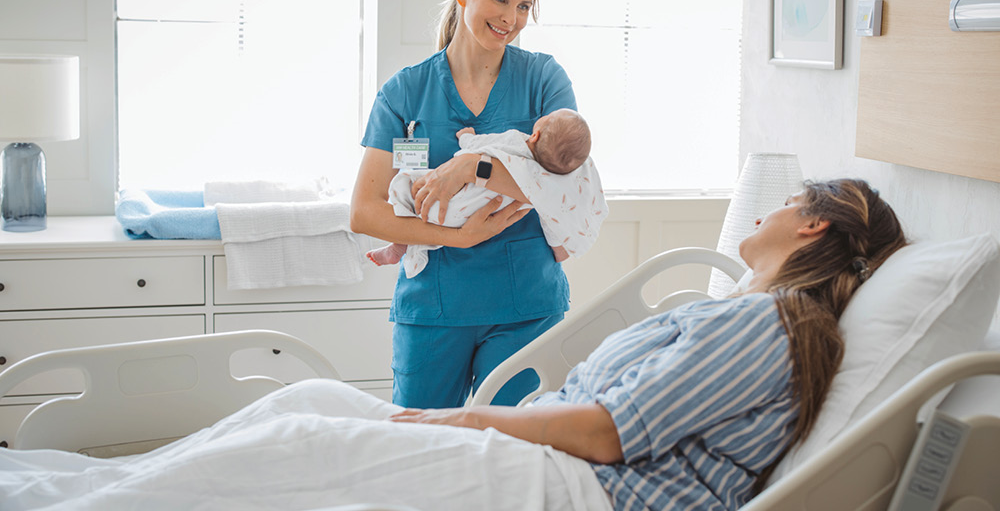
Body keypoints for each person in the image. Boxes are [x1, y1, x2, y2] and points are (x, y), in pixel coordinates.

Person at [5, 179, 908, 511]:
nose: (764, 206)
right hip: (556, 459)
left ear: (814, 226)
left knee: (302, 444)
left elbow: (608, 434)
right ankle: (84, 486)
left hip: (584, 489)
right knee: (307, 403)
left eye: (786, 199)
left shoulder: (771, 326)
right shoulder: (750, 315)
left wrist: (459, 423)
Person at [350, 0, 581, 408]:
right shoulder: (405, 92)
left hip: (525, 308)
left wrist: (472, 166)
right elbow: (364, 212)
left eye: (523, 6)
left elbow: (568, 183)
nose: (511, 19)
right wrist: (457, 237)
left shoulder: (542, 79)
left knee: (514, 454)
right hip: (433, 308)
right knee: (420, 448)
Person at [367, 107, 607, 278]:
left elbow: (479, 146)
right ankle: (406, 246)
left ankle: (400, 244)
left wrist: (466, 139)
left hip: (448, 202)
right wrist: (560, 248)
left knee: (404, 183)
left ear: (535, 135)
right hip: (466, 216)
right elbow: (556, 219)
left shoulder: (515, 140)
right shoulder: (539, 189)